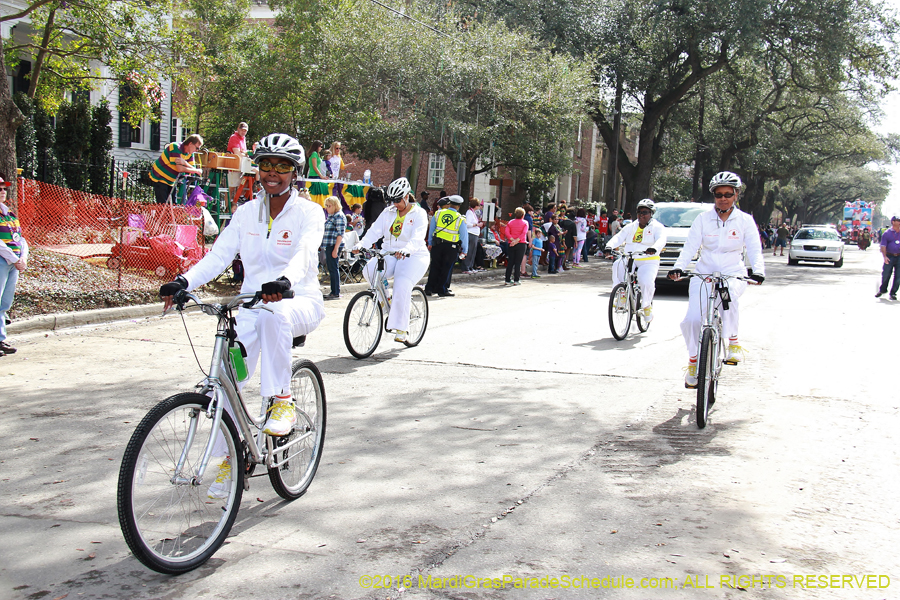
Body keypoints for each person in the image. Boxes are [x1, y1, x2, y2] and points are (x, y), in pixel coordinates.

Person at [159, 133, 326, 442]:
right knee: (227, 383)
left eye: (282, 166)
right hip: (250, 304)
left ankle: (282, 399)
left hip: (299, 299)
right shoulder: (246, 213)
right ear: (257, 168)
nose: (273, 172)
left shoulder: (309, 212)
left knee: (272, 314)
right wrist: (183, 281)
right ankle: (231, 462)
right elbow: (220, 254)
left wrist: (286, 281)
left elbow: (305, 250)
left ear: (295, 172)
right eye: (266, 165)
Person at [667, 172, 765, 388]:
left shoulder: (745, 220)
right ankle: (693, 362)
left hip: (733, 273)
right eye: (719, 194)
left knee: (728, 295)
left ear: (736, 195)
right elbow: (690, 247)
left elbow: (755, 249)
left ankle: (733, 343)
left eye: (728, 194)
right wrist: (678, 267)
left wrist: (758, 271)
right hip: (704, 274)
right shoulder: (702, 219)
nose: (723, 198)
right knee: (691, 320)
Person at [355, 177, 429, 342]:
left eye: (397, 200)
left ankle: (401, 328)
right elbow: (375, 231)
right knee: (369, 269)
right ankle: (385, 299)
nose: (394, 204)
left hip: (414, 255)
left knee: (402, 284)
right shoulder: (388, 212)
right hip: (389, 252)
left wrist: (406, 250)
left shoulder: (419, 213)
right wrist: (360, 245)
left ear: (407, 196)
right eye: (391, 201)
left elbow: (418, 238)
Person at [605, 199, 667, 322]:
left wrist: (654, 248)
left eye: (645, 212)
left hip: (648, 259)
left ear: (651, 214)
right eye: (639, 212)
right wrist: (609, 246)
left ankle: (646, 305)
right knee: (618, 265)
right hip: (630, 257)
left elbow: (661, 239)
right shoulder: (631, 227)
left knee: (646, 281)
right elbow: (619, 237)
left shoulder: (657, 227)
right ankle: (621, 295)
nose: (641, 215)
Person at [0, 176, 28, 356]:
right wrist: (13, 258)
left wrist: (23, 258)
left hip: (12, 263)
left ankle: (1, 339)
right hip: (4, 261)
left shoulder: (9, 214)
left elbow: (21, 239)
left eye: (3, 188)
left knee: (4, 303)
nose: (2, 191)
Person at [425, 195, 468, 297]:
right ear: (459, 206)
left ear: (449, 203)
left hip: (437, 244)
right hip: (451, 247)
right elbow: (464, 236)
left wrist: (430, 243)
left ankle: (429, 288)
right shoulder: (460, 218)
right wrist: (465, 250)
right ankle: (442, 289)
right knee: (446, 268)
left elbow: (432, 229)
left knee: (434, 266)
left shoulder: (438, 213)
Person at [149, 134, 203, 204]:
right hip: (160, 177)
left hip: (171, 181)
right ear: (190, 144)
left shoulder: (190, 153)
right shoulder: (175, 147)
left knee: (173, 205)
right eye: (197, 148)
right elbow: (179, 169)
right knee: (162, 205)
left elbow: (193, 170)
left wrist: (185, 163)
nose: (196, 150)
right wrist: (196, 170)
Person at [322, 196, 346, 300]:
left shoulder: (339, 216)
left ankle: (335, 292)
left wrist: (336, 249)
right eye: (326, 206)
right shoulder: (332, 216)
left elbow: (340, 234)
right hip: (329, 244)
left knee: (333, 268)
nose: (327, 208)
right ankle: (333, 291)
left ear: (335, 205)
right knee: (331, 268)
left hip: (334, 245)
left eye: (329, 206)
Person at [876, 216, 900, 300]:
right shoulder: (887, 233)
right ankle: (882, 290)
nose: (899, 222)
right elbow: (883, 246)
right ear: (893, 222)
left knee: (898, 276)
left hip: (899, 257)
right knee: (886, 274)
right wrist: (885, 256)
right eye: (898, 221)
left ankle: (893, 293)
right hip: (889, 256)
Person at [505, 207, 529, 286]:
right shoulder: (525, 222)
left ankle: (507, 279)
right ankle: (516, 279)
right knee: (518, 262)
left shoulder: (510, 222)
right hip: (521, 243)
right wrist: (517, 240)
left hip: (511, 243)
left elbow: (507, 232)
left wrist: (512, 240)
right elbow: (524, 233)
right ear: (523, 215)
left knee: (510, 262)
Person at [463, 198, 483, 273]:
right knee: (470, 251)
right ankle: (466, 267)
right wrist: (476, 224)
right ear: (476, 206)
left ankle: (470, 266)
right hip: (471, 233)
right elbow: (467, 224)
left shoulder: (473, 212)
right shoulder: (469, 212)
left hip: (475, 234)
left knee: (473, 251)